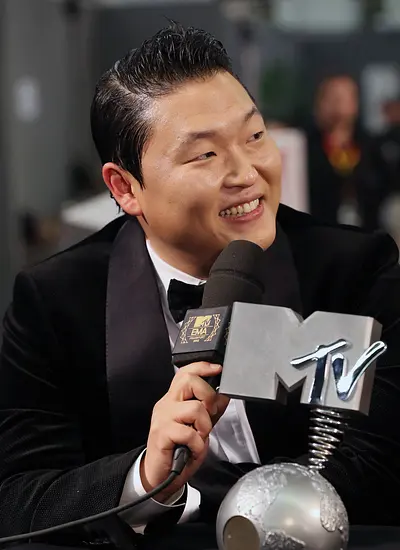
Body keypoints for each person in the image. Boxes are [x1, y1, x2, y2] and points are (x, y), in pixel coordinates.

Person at [1, 23, 400, 550]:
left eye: (254, 136)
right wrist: (145, 479)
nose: (247, 172)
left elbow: (381, 468)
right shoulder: (54, 302)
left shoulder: (354, 272)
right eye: (204, 155)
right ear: (125, 187)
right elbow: (19, 498)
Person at [305, 75, 386, 230]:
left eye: (342, 98)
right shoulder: (306, 144)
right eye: (331, 97)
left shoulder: (371, 146)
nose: (337, 104)